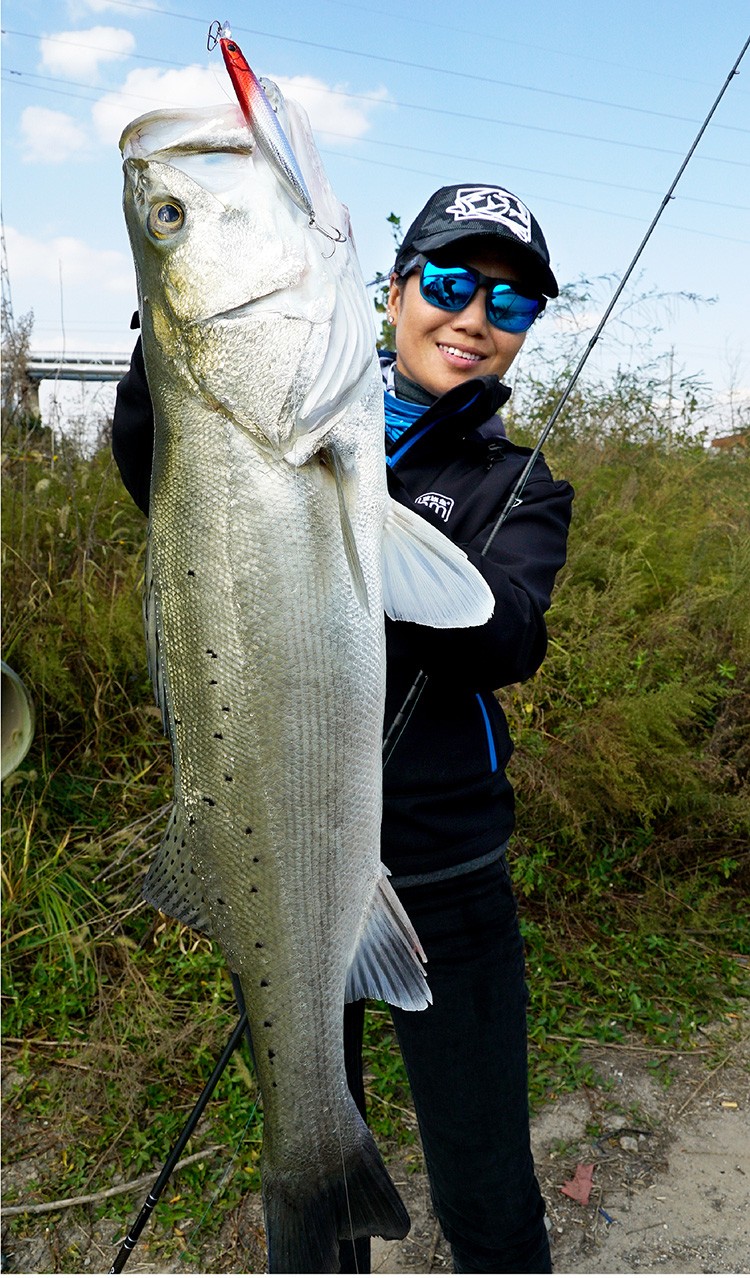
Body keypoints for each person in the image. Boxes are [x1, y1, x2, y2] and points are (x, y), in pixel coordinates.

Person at [112, 181, 573, 1275]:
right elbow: (152, 460)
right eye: (452, 284)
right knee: (308, 1156)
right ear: (395, 291)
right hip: (276, 868)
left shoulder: (517, 482)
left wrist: (353, 509)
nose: (473, 318)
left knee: (491, 1189)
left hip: (451, 882)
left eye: (509, 306)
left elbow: (507, 637)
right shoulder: (274, 423)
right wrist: (181, 345)